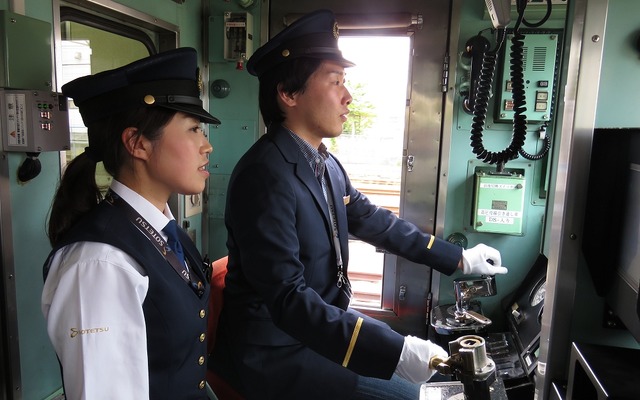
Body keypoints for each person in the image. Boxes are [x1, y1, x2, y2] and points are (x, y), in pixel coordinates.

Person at [208, 9, 507, 400]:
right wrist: (397, 351)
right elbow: (289, 300)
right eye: (335, 81)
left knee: (439, 384)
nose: (348, 96)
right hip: (278, 351)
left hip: (320, 326)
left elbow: (374, 221)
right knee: (418, 395)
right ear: (289, 93)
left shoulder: (323, 162)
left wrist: (458, 259)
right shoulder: (264, 175)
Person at [41, 48, 220, 399]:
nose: (206, 146)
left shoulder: (164, 232)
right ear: (137, 143)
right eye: (194, 129)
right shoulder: (99, 264)